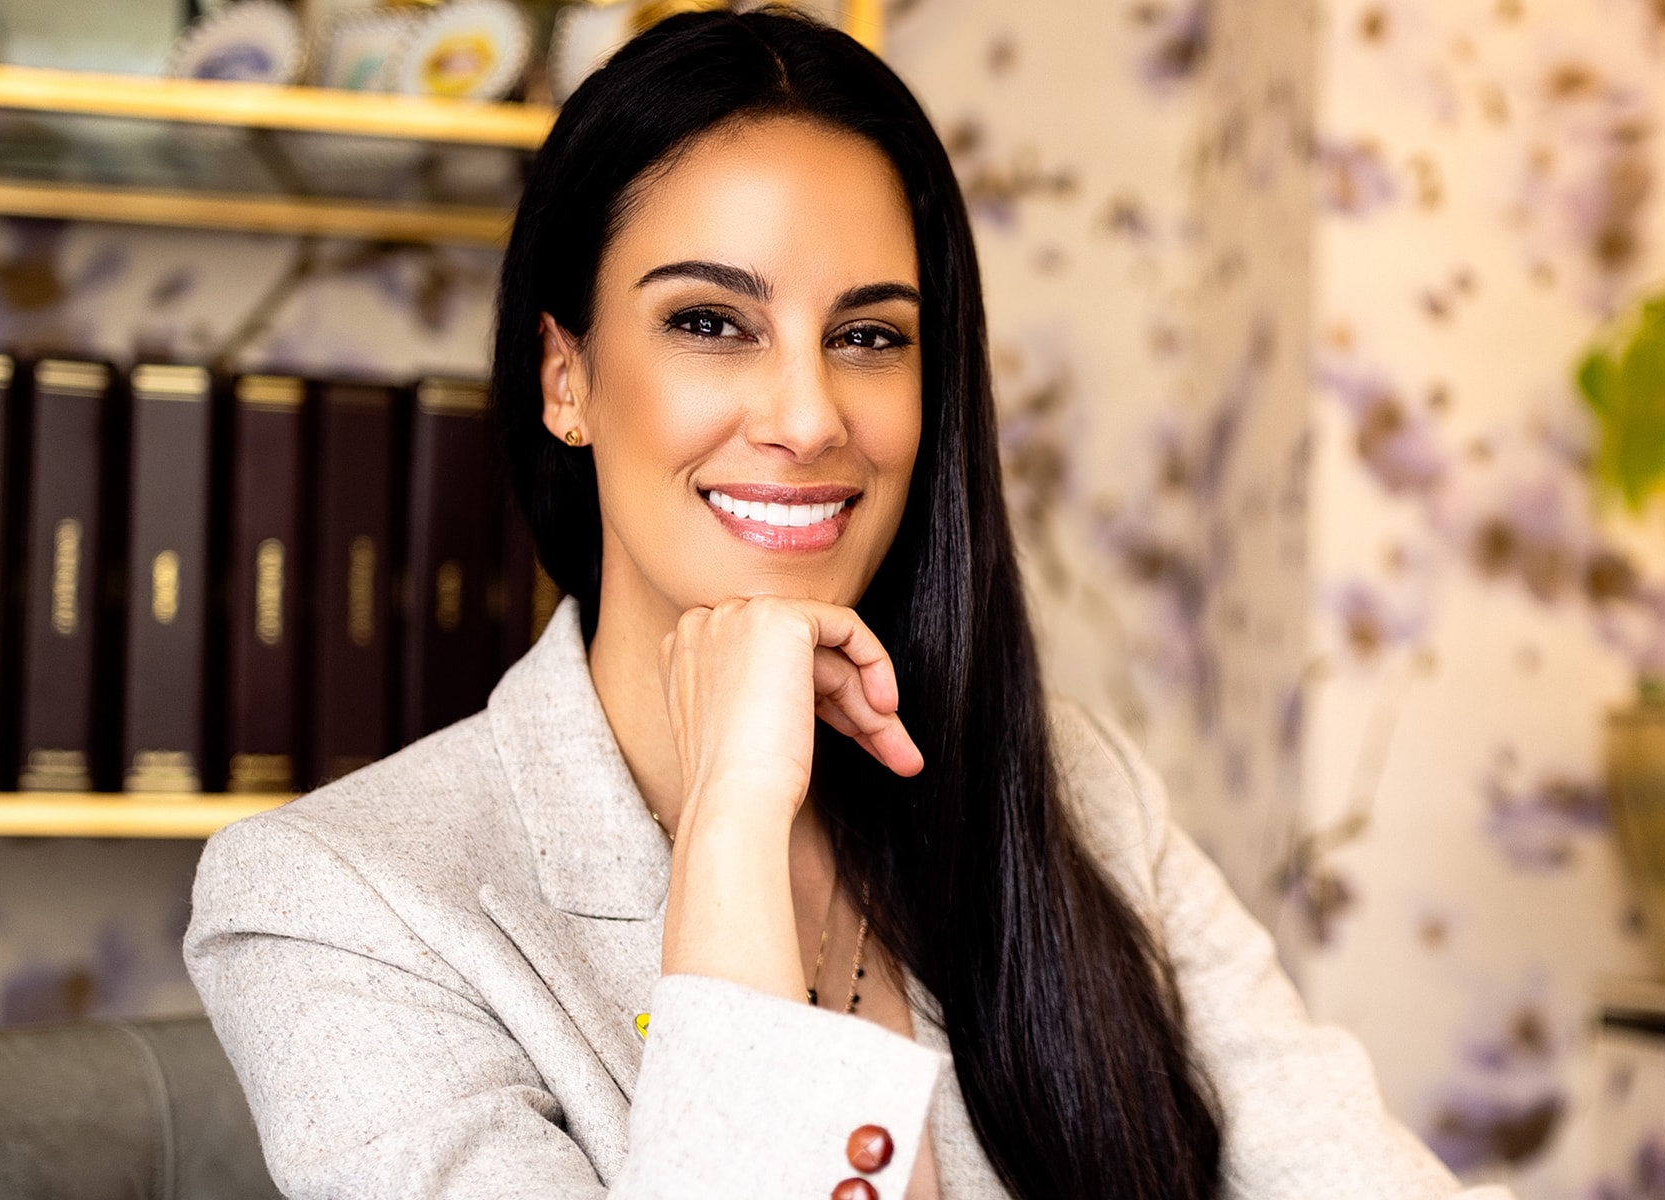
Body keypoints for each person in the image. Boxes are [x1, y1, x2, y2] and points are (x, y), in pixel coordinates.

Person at [185, 9, 1513, 1199]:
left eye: (870, 337)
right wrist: (731, 825)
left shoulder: (1081, 796)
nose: (812, 417)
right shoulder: (338, 908)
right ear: (565, 379)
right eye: (711, 322)